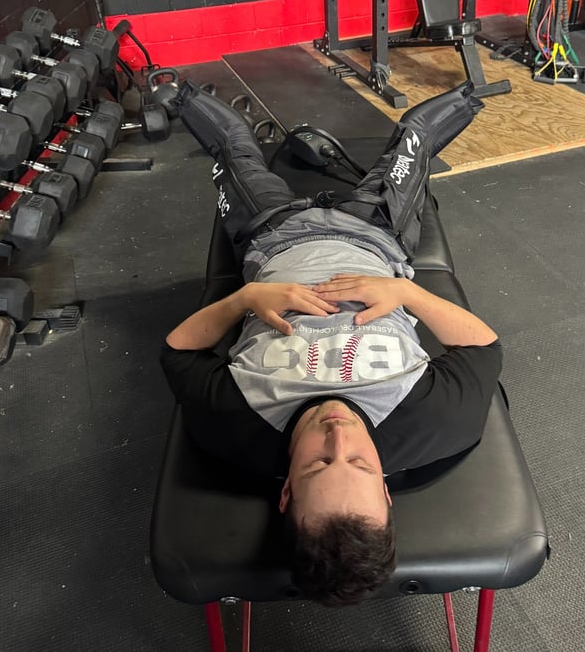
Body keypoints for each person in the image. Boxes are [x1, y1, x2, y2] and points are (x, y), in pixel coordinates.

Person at [160, 81, 502, 606]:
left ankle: (173, 91)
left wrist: (246, 298)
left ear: (286, 491)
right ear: (385, 489)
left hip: (274, 236)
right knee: (416, 135)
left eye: (318, 464)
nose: (339, 436)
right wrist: (405, 292)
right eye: (360, 464)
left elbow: (177, 351)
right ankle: (474, 92)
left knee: (232, 145)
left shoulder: (236, 423)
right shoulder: (434, 421)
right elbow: (484, 349)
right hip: (376, 235)